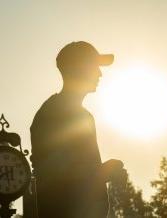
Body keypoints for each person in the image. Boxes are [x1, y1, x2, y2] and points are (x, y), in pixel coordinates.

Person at [30, 41, 126, 218]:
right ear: (78, 69)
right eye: (94, 66)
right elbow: (55, 174)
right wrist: (102, 172)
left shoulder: (82, 116)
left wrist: (103, 174)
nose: (100, 73)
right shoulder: (53, 114)